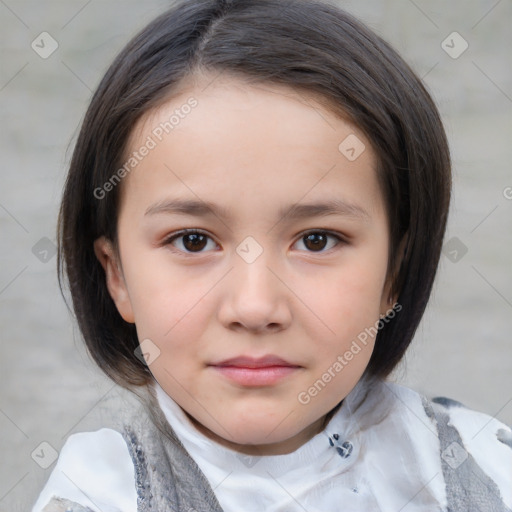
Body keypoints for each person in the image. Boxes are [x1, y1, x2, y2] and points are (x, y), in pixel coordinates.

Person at [33, 0, 512, 510]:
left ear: (395, 271)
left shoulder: (483, 469)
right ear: (118, 276)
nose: (255, 307)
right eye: (193, 240)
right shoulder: (96, 495)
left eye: (316, 240)